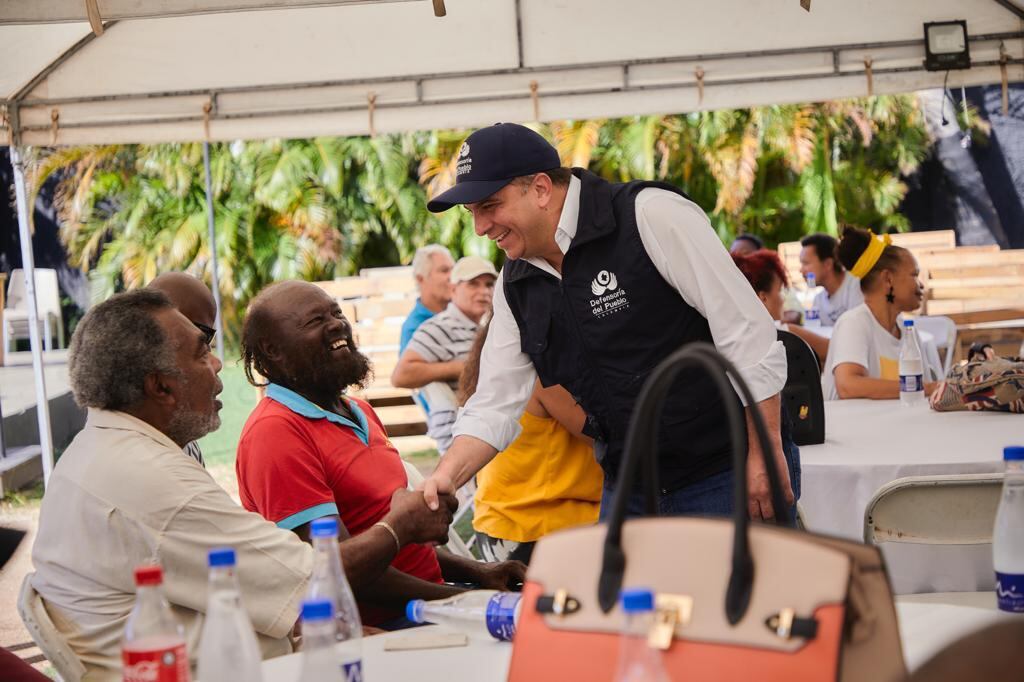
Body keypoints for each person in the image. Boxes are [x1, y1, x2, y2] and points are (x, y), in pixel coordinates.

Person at [30, 290, 456, 676]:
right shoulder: (151, 478)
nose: (218, 363)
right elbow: (313, 581)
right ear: (160, 387)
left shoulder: (100, 451)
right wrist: (401, 528)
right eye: (202, 352)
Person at [421, 122, 795, 523]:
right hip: (629, 485)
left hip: (725, 469)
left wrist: (765, 453)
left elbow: (746, 333)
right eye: (472, 212)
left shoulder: (649, 214)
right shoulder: (515, 284)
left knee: (746, 570)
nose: (480, 228)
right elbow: (494, 404)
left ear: (541, 188)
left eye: (490, 206)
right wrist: (446, 477)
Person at [236, 280, 525, 627]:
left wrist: (479, 572)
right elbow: (334, 570)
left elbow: (392, 545)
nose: (337, 325)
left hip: (423, 609)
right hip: (377, 631)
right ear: (273, 350)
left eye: (337, 313)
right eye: (316, 321)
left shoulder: (359, 411)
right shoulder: (276, 433)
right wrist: (463, 601)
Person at [458, 321, 602, 564]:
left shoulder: (498, 373)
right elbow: (609, 437)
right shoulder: (543, 376)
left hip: (504, 523)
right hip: (538, 528)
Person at [822, 226, 942, 400]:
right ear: (888, 279)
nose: (921, 284)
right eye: (914, 275)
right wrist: (925, 388)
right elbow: (848, 385)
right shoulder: (854, 323)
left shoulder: (907, 329)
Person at [392, 255, 497, 453]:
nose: (484, 291)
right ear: (453, 290)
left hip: (492, 431)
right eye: (473, 284)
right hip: (464, 440)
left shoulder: (491, 327)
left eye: (489, 284)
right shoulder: (438, 328)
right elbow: (401, 375)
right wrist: (463, 367)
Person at [148, 271, 218, 466]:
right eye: (201, 336)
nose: (215, 363)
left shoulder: (181, 435)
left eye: (207, 340)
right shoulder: (140, 448)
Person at [732, 249, 829, 363]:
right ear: (763, 298)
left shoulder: (732, 336)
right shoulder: (783, 332)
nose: (783, 299)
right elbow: (833, 349)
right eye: (780, 290)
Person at [400, 245, 455, 354]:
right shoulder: (414, 328)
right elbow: (409, 366)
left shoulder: (462, 312)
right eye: (444, 271)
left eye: (453, 270)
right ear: (420, 279)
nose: (452, 276)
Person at [799, 232, 864, 326]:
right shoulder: (818, 300)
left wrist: (792, 329)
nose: (801, 270)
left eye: (806, 263)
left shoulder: (857, 287)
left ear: (828, 264)